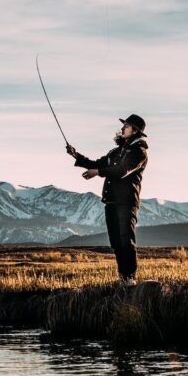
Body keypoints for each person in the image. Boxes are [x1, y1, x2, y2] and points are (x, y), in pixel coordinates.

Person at [66, 114, 149, 287]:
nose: (122, 128)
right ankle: (123, 278)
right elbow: (97, 163)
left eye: (126, 126)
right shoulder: (115, 151)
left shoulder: (139, 152)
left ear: (135, 131)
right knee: (116, 241)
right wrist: (76, 156)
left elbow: (121, 171)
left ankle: (130, 277)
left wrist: (97, 172)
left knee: (126, 240)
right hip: (111, 201)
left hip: (126, 202)